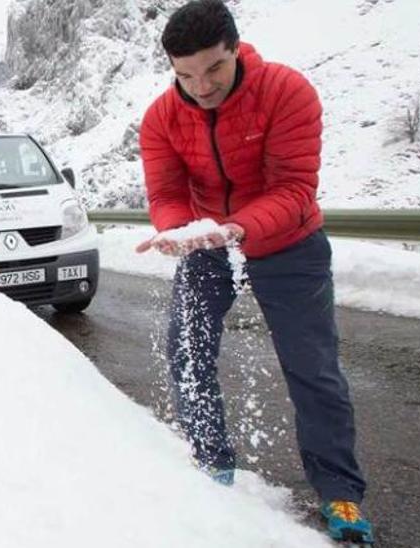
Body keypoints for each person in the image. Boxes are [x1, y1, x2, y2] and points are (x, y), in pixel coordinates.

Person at [133, 1, 374, 543]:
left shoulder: (287, 92)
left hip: (290, 243)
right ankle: (212, 463)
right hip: (207, 242)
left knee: (313, 368)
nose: (201, 86)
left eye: (213, 69)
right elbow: (167, 194)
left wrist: (235, 228)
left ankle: (340, 494)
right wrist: (180, 231)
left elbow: (293, 189)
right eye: (185, 75)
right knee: (186, 350)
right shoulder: (160, 119)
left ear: (236, 50)